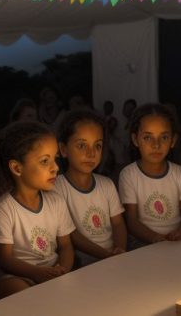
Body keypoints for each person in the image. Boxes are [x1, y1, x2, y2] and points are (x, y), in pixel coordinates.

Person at [0, 122, 74, 299]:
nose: (55, 167)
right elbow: (4, 259)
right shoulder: (3, 208)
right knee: (19, 292)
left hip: (52, 269)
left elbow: (66, 246)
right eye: (44, 161)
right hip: (17, 275)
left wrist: (62, 269)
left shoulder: (56, 202)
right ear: (17, 168)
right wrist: (36, 273)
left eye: (55, 159)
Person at [52, 110, 127, 265]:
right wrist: (105, 255)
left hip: (112, 258)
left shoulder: (106, 184)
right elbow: (71, 235)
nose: (91, 153)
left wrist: (119, 250)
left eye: (97, 146)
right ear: (64, 149)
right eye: (81, 145)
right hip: (79, 264)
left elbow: (118, 224)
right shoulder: (57, 187)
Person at [118, 104, 181, 247]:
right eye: (148, 137)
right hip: (142, 246)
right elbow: (131, 219)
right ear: (135, 140)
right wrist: (155, 239)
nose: (156, 145)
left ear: (173, 140)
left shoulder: (180, 174)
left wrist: (180, 234)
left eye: (164, 137)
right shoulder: (129, 175)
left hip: (177, 244)